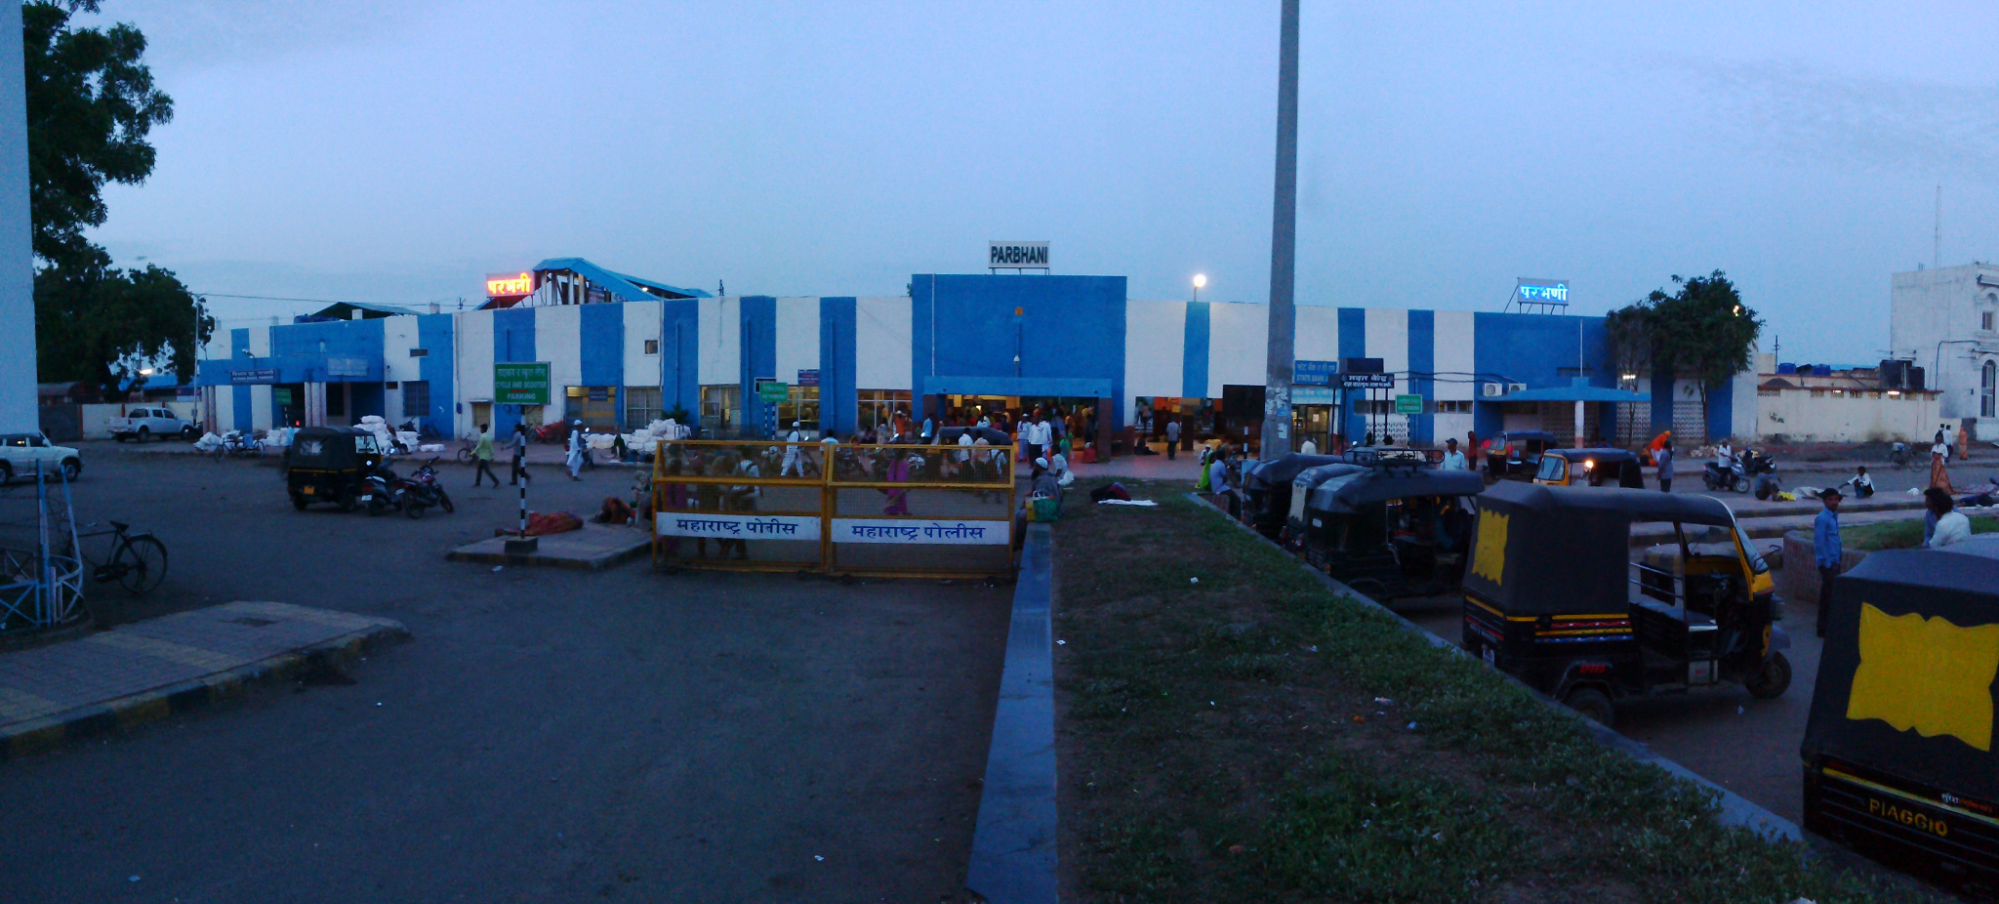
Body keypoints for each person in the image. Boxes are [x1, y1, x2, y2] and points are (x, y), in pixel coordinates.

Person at [1814, 486, 1843, 637]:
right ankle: (1825, 627)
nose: (1834, 502)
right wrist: (1827, 563)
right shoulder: (1822, 518)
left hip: (1834, 561)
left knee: (1827, 595)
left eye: (1836, 499)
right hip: (1828, 564)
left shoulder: (1833, 516)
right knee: (1830, 596)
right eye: (1830, 499)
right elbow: (1819, 543)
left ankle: (1824, 627)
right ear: (1824, 501)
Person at [471, 423, 499, 488]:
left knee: (486, 471)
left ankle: (496, 481)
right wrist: (492, 456)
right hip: (486, 456)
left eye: (481, 428)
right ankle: (477, 482)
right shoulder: (489, 437)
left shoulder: (482, 437)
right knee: (480, 469)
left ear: (483, 429)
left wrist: (472, 453)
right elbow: (491, 447)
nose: (480, 430)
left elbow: (479, 446)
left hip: (483, 457)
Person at [1932, 429, 1956, 494]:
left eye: (1939, 439)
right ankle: (1934, 488)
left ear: (1942, 440)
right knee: (1934, 477)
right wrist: (1934, 454)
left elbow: (1946, 455)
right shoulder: (1934, 446)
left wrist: (1941, 455)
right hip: (1934, 465)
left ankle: (1941, 488)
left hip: (1941, 464)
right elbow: (1931, 454)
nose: (1938, 440)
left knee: (1941, 478)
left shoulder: (1944, 446)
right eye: (1937, 439)